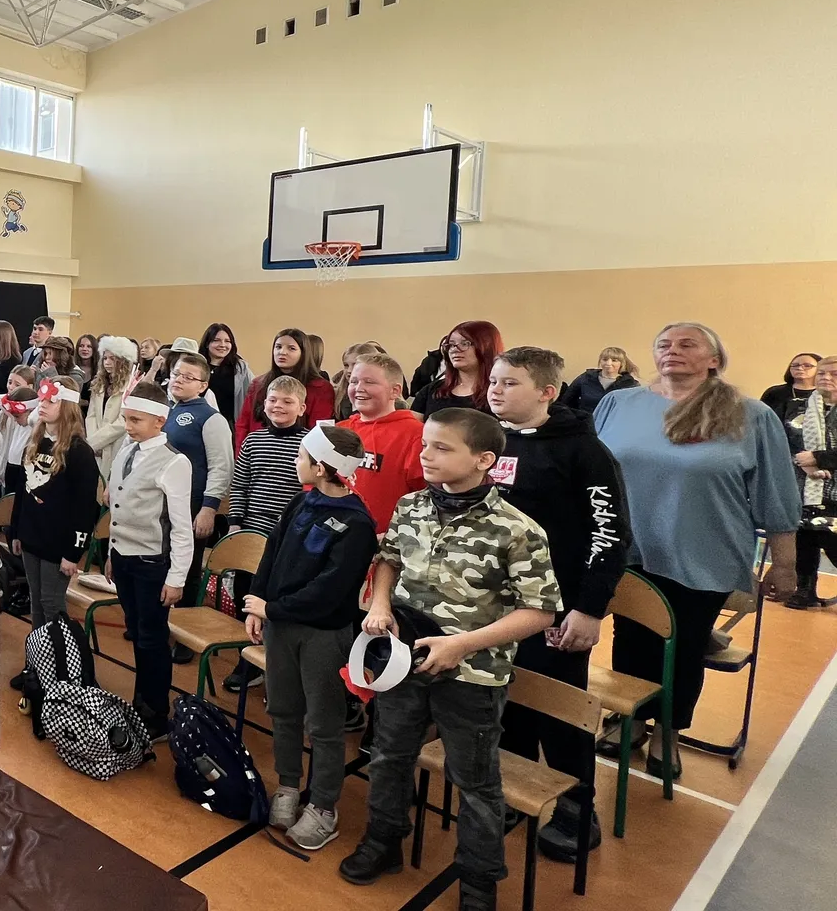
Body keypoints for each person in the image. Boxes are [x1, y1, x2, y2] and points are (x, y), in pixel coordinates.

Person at [339, 408, 560, 911]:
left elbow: (539, 612)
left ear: (483, 460)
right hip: (404, 663)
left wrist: (461, 644)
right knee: (389, 755)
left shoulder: (517, 530)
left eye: (442, 448)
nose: (426, 455)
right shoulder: (412, 504)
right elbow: (389, 560)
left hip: (472, 675)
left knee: (475, 782)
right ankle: (383, 842)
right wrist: (379, 604)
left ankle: (478, 883)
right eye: (425, 445)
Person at [594, 323, 800, 778]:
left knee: (684, 647)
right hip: (627, 548)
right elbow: (591, 472)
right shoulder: (618, 403)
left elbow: (776, 493)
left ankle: (668, 730)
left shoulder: (750, 415)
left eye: (687, 344)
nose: (673, 351)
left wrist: (785, 564)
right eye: (664, 344)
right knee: (630, 638)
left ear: (714, 359)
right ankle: (630, 718)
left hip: (704, 551)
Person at [486, 346, 631, 860]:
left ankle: (576, 807)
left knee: (558, 709)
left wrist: (589, 609)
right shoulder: (492, 439)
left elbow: (610, 535)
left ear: (547, 392)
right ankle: (512, 791)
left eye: (510, 383)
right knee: (506, 701)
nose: (495, 390)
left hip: (558, 609)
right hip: (496, 604)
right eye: (494, 381)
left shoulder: (585, 452)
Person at [244, 425, 373, 851]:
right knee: (283, 710)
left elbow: (329, 591)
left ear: (321, 467)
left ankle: (323, 805)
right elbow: (271, 553)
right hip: (280, 626)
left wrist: (273, 609)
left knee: (323, 724)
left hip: (323, 636)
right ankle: (288, 785)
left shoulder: (357, 524)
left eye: (301, 456)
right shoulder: (300, 501)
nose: (295, 461)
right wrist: (258, 605)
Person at [104, 381, 195, 739]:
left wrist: (177, 578)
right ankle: (139, 702)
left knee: (152, 639)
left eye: (136, 420)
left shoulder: (175, 462)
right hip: (124, 558)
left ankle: (155, 712)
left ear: (160, 421)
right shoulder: (127, 450)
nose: (128, 426)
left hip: (152, 564)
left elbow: (181, 528)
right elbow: (117, 509)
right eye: (126, 419)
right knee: (136, 631)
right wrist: (111, 554)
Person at [8, 378, 100, 688]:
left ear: (68, 406)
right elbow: (22, 492)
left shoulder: (80, 452)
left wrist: (73, 553)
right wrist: (16, 531)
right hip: (31, 537)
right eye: (42, 400)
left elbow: (86, 508)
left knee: (52, 604)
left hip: (57, 544)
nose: (43, 406)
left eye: (51, 401)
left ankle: (61, 673)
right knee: (36, 603)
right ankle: (37, 666)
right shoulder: (36, 442)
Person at [338, 353, 427, 534]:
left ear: (395, 391)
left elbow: (425, 497)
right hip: (332, 534)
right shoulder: (339, 430)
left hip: (386, 540)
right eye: (353, 381)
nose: (359, 388)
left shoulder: (416, 434)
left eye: (369, 382)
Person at [228, 376, 311, 538]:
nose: (278, 405)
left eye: (287, 402)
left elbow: (312, 488)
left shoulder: (309, 443)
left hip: (289, 528)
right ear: (265, 404)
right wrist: (235, 523)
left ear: (301, 409)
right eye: (273, 400)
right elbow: (239, 485)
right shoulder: (252, 441)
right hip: (251, 526)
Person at [784, 356, 837, 608]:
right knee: (803, 541)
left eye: (834, 374)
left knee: (832, 543)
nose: (826, 378)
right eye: (822, 373)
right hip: (803, 486)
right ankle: (804, 591)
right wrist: (803, 461)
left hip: (833, 491)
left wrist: (819, 458)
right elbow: (786, 441)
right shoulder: (799, 406)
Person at [165, 354, 231, 546]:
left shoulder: (211, 418)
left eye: (188, 377)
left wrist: (209, 508)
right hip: (159, 499)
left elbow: (221, 467)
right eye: (176, 374)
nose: (179, 379)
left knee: (185, 559)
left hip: (191, 503)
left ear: (202, 386)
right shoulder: (164, 410)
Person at [236, 329, 333, 449]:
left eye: (291, 348)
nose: (282, 352)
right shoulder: (258, 384)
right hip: (258, 451)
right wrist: (243, 453)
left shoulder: (320, 388)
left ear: (303, 353)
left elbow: (319, 431)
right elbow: (243, 424)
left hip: (298, 452)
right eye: (278, 347)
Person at [411, 321, 503, 416]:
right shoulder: (431, 391)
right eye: (451, 345)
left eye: (465, 343)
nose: (454, 349)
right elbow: (412, 423)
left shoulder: (500, 393)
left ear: (487, 347)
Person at [84, 336, 137, 476]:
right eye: (105, 358)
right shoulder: (99, 383)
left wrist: (96, 442)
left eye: (112, 359)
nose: (107, 362)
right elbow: (91, 415)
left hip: (116, 443)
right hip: (94, 446)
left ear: (123, 361)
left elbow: (122, 421)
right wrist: (92, 441)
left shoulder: (131, 386)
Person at [199, 324, 252, 428]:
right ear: (207, 343)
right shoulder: (197, 366)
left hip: (230, 425)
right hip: (199, 422)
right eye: (216, 340)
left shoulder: (240, 368)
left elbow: (254, 392)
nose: (222, 345)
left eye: (227, 341)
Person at [560, 347, 640, 414]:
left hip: (615, 425)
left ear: (621, 363)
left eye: (614, 360)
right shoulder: (586, 377)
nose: (608, 363)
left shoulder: (630, 384)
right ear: (600, 361)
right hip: (586, 424)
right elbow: (567, 400)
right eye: (605, 359)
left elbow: (635, 409)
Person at [0, 385, 38, 498]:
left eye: (17, 416)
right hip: (10, 467)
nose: (14, 419)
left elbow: (34, 413)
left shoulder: (33, 424)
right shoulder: (19, 422)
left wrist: (35, 404)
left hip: (21, 470)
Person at [760, 352, 823, 424]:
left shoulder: (827, 392)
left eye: (807, 366)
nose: (800, 368)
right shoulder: (774, 392)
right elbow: (762, 418)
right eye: (795, 365)